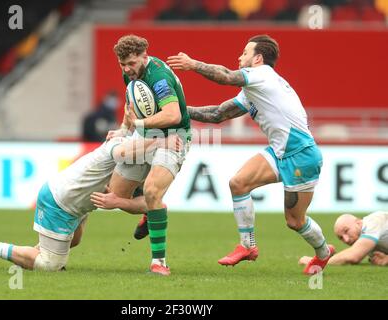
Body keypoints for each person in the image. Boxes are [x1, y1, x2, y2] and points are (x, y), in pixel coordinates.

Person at [167, 34, 334, 275]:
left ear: (257, 58)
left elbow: (225, 76)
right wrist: (179, 111)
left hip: (301, 155)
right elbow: (217, 114)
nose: (239, 56)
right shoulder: (252, 87)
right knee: (238, 183)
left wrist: (193, 65)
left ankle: (323, 254)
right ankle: (248, 246)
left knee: (295, 221)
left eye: (244, 53)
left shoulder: (262, 75)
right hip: (279, 152)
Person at [0, 135, 182, 272]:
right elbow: (122, 153)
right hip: (60, 201)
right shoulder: (121, 145)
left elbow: (145, 198)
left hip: (78, 203)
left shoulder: (131, 141)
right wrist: (162, 142)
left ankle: (41, 252)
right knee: (49, 265)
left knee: (74, 241)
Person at [105, 34, 191, 276]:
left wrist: (140, 125)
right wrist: (124, 128)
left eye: (131, 63)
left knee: (153, 191)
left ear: (144, 56)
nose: (127, 69)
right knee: (117, 195)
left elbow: (173, 115)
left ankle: (159, 263)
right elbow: (131, 102)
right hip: (146, 137)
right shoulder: (130, 73)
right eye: (122, 64)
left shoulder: (159, 77)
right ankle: (151, 210)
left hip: (173, 138)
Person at [299, 211, 388, 266]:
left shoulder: (373, 222)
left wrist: (317, 261)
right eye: (341, 238)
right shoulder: (369, 240)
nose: (346, 239)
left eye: (346, 231)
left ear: (358, 222)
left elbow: (353, 256)